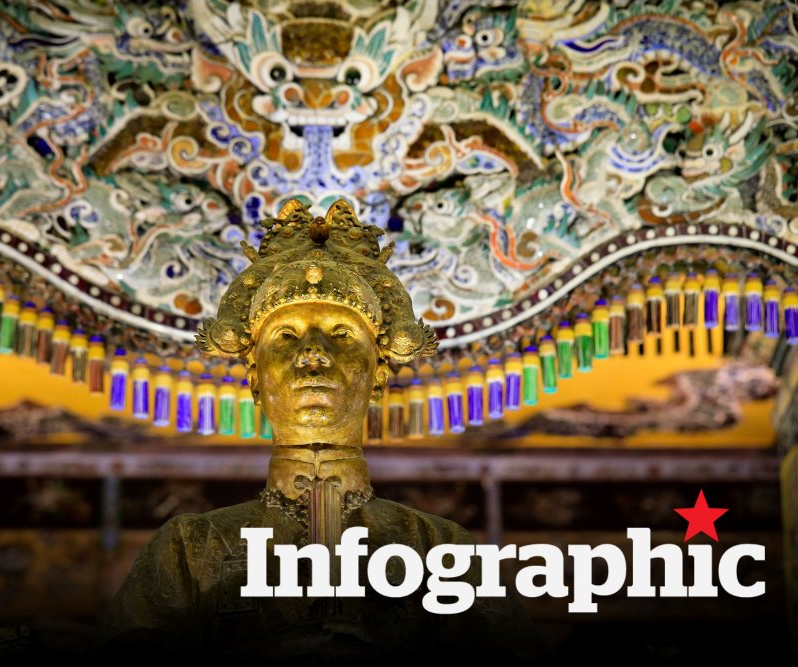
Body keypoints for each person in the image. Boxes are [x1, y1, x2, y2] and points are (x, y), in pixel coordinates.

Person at [91, 199, 544, 661]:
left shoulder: (437, 546)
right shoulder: (190, 546)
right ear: (254, 376)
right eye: (286, 335)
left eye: (341, 334)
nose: (313, 353)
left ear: (378, 374)